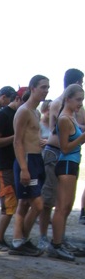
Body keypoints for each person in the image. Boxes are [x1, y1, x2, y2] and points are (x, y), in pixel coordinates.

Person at [39, 69, 84, 250]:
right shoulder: (60, 104)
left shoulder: (72, 108)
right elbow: (57, 130)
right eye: (81, 82)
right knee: (50, 199)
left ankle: (60, 237)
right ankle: (44, 237)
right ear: (76, 83)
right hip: (56, 154)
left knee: (64, 203)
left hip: (67, 156)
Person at [9, 75, 50, 257]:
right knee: (38, 204)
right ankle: (20, 241)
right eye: (43, 87)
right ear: (32, 88)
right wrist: (24, 168)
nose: (46, 90)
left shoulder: (36, 112)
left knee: (25, 202)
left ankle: (19, 240)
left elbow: (31, 135)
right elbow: (17, 141)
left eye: (48, 87)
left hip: (36, 159)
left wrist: (40, 141)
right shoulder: (24, 111)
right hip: (26, 160)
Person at [47, 84, 85, 261]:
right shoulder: (64, 119)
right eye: (78, 99)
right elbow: (65, 147)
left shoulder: (71, 117)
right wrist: (82, 137)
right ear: (67, 99)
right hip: (66, 164)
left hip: (72, 164)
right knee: (62, 207)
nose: (80, 103)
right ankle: (55, 245)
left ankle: (60, 241)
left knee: (68, 206)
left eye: (82, 100)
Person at [0, 87, 26, 250]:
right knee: (9, 205)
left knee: (17, 203)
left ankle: (7, 238)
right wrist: (16, 137)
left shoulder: (19, 114)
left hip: (16, 164)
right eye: (24, 102)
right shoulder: (3, 115)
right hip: (4, 166)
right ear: (17, 99)